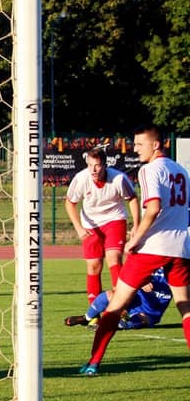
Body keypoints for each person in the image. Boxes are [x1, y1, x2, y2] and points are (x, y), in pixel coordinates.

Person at [79, 125, 190, 375]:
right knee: (185, 307)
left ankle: (93, 363)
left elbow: (153, 207)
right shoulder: (181, 170)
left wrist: (135, 239)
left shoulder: (149, 170)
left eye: (140, 144)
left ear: (156, 145)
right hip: (181, 247)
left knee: (117, 304)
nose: (135, 149)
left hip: (154, 247)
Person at [64, 146, 140, 303]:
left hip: (114, 220)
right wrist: (79, 228)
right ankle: (94, 311)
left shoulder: (119, 179)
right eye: (90, 165)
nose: (93, 170)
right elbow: (70, 203)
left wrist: (136, 225)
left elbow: (132, 198)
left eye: (97, 165)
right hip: (90, 224)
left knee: (114, 258)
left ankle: (121, 305)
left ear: (105, 165)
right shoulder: (81, 179)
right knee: (93, 265)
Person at [64, 267, 172, 330]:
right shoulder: (148, 261)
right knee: (108, 295)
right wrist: (141, 282)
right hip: (133, 300)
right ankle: (86, 318)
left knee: (141, 320)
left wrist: (156, 286)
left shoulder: (175, 267)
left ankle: (102, 326)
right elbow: (130, 274)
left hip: (149, 312)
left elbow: (177, 289)